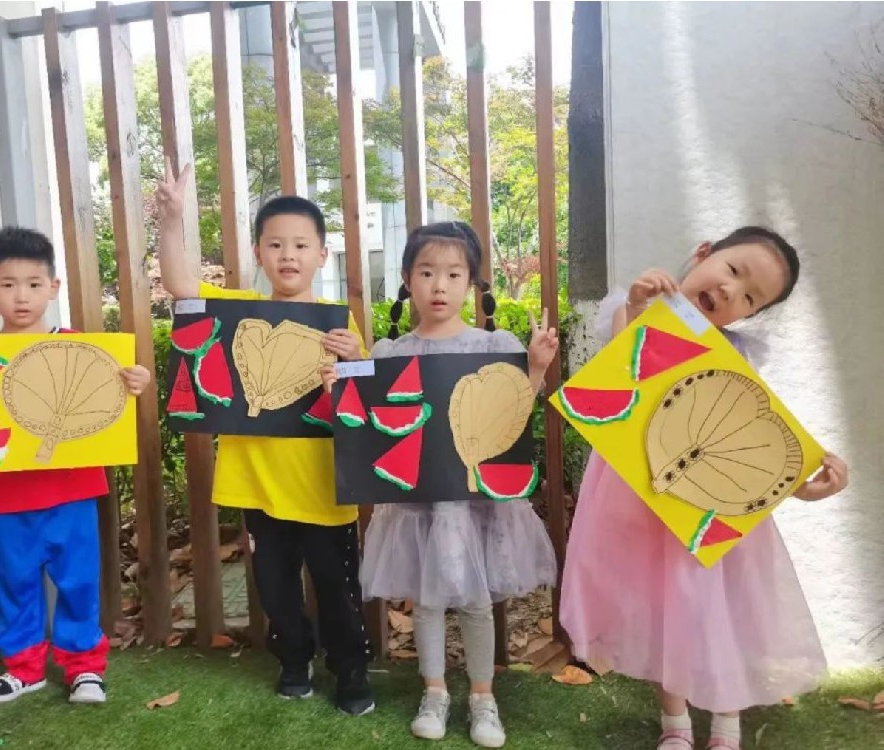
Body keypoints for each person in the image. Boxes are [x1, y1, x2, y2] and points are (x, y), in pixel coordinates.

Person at [559, 227, 850, 750]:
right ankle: (675, 724)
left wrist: (804, 488)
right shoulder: (636, 311)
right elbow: (622, 366)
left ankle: (725, 724)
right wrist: (635, 303)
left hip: (710, 503)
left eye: (751, 298)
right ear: (703, 254)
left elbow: (749, 444)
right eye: (734, 271)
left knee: (714, 609)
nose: (734, 294)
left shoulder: (734, 357)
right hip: (640, 498)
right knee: (664, 608)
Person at [322, 221, 559, 748]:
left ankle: (482, 697)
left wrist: (537, 367)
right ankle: (434, 691)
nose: (439, 285)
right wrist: (339, 387)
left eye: (453, 274)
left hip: (475, 504)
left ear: (471, 282)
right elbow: (367, 422)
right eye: (427, 272)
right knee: (427, 603)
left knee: (476, 601)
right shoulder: (386, 354)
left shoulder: (493, 345)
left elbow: (510, 414)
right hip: (416, 504)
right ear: (408, 279)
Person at [155, 161, 375, 715]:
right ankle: (294, 661)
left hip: (327, 489)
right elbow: (181, 287)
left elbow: (363, 406)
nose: (289, 255)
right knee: (275, 590)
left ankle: (350, 671)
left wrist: (353, 364)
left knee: (338, 590)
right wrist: (172, 221)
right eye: (276, 244)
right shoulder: (234, 312)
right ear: (258, 253)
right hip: (257, 486)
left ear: (322, 254)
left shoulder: (341, 323)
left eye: (302, 244)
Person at [0, 226, 152, 704]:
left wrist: (136, 380)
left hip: (75, 492)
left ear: (54, 288)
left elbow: (112, 396)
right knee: (14, 583)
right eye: (7, 284)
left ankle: (85, 668)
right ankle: (23, 669)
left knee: (79, 581)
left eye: (34, 284)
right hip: (8, 496)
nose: (21, 296)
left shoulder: (84, 350)